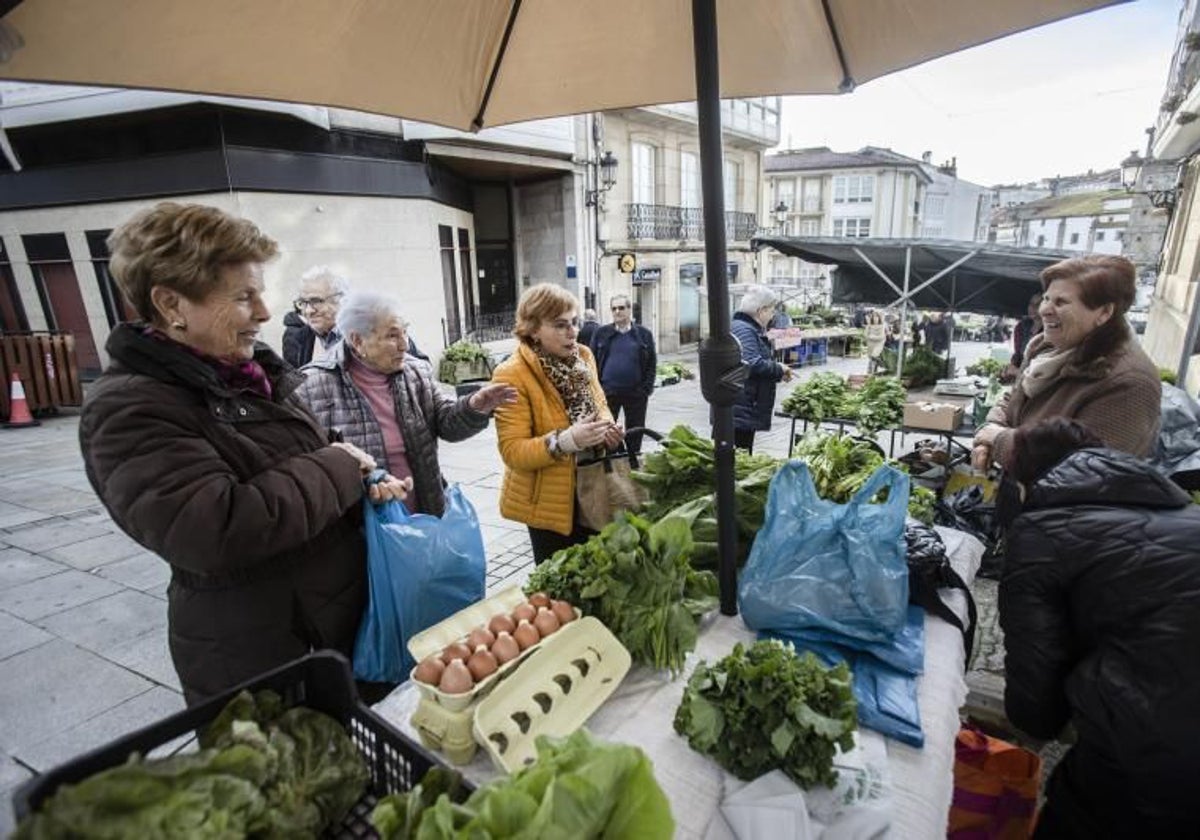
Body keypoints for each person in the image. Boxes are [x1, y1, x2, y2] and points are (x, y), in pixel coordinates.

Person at [78, 202, 409, 705]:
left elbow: (296, 466)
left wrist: (361, 480)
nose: (264, 312)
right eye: (243, 297)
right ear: (171, 305)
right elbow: (215, 528)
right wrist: (339, 466)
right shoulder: (129, 408)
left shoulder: (248, 375)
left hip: (329, 629)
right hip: (267, 655)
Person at [998, 418, 1200, 838]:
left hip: (1150, 754)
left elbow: (1034, 702)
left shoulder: (1042, 531)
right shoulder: (1185, 514)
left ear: (1026, 480)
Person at [295, 291, 516, 517]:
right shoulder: (312, 385)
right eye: (392, 336)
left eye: (405, 332)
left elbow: (446, 423)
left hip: (421, 511)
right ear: (357, 340)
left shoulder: (415, 371)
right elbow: (309, 468)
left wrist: (474, 406)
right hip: (358, 524)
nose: (404, 345)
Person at [971, 255, 1160, 472]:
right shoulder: (1042, 347)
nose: (1044, 310)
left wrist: (1001, 441)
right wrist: (991, 429)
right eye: (1046, 298)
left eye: (1061, 302)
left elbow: (1087, 470)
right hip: (1024, 496)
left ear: (1104, 312)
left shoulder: (1130, 383)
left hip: (1069, 505)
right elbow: (1013, 399)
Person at [492, 283, 624, 564]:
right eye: (560, 325)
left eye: (574, 322)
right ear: (533, 329)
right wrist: (567, 441)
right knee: (558, 592)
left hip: (595, 487)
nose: (573, 332)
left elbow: (600, 404)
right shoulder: (510, 374)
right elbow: (513, 451)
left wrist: (607, 429)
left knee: (599, 578)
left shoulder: (584, 356)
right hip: (549, 506)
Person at [589, 293, 656, 455]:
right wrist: (596, 388)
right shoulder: (602, 333)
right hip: (608, 392)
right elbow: (591, 361)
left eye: (621, 308)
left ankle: (633, 459)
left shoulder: (643, 334)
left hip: (636, 393)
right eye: (614, 309)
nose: (617, 312)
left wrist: (646, 389)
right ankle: (616, 457)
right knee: (607, 430)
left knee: (636, 430)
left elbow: (651, 364)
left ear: (629, 309)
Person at [730, 285, 792, 453]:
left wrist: (778, 373)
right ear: (761, 310)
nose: (773, 315)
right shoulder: (744, 329)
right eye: (772, 310)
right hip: (741, 406)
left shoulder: (746, 328)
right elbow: (751, 363)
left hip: (742, 405)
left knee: (740, 452)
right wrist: (778, 368)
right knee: (738, 454)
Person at [282, 265, 348, 368]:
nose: (308, 311)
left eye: (316, 301)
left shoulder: (360, 336)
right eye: (303, 303)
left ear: (339, 300)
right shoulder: (296, 337)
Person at [1008, 290, 1044, 372]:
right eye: (1031, 304)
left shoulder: (1051, 331)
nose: (1033, 308)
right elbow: (1017, 353)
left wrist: (1018, 372)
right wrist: (1012, 365)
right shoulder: (1021, 327)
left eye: (1038, 304)